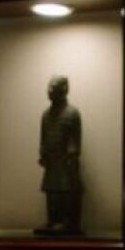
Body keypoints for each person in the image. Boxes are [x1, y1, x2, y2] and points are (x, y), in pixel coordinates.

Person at [34, 76, 83, 236]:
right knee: (51, 190)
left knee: (66, 190)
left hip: (66, 160)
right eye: (49, 87)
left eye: (53, 87)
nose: (49, 91)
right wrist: (42, 153)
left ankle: (68, 222)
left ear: (64, 90)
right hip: (51, 160)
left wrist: (71, 154)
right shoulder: (46, 115)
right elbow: (43, 137)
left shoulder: (72, 113)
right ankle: (53, 220)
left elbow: (75, 138)